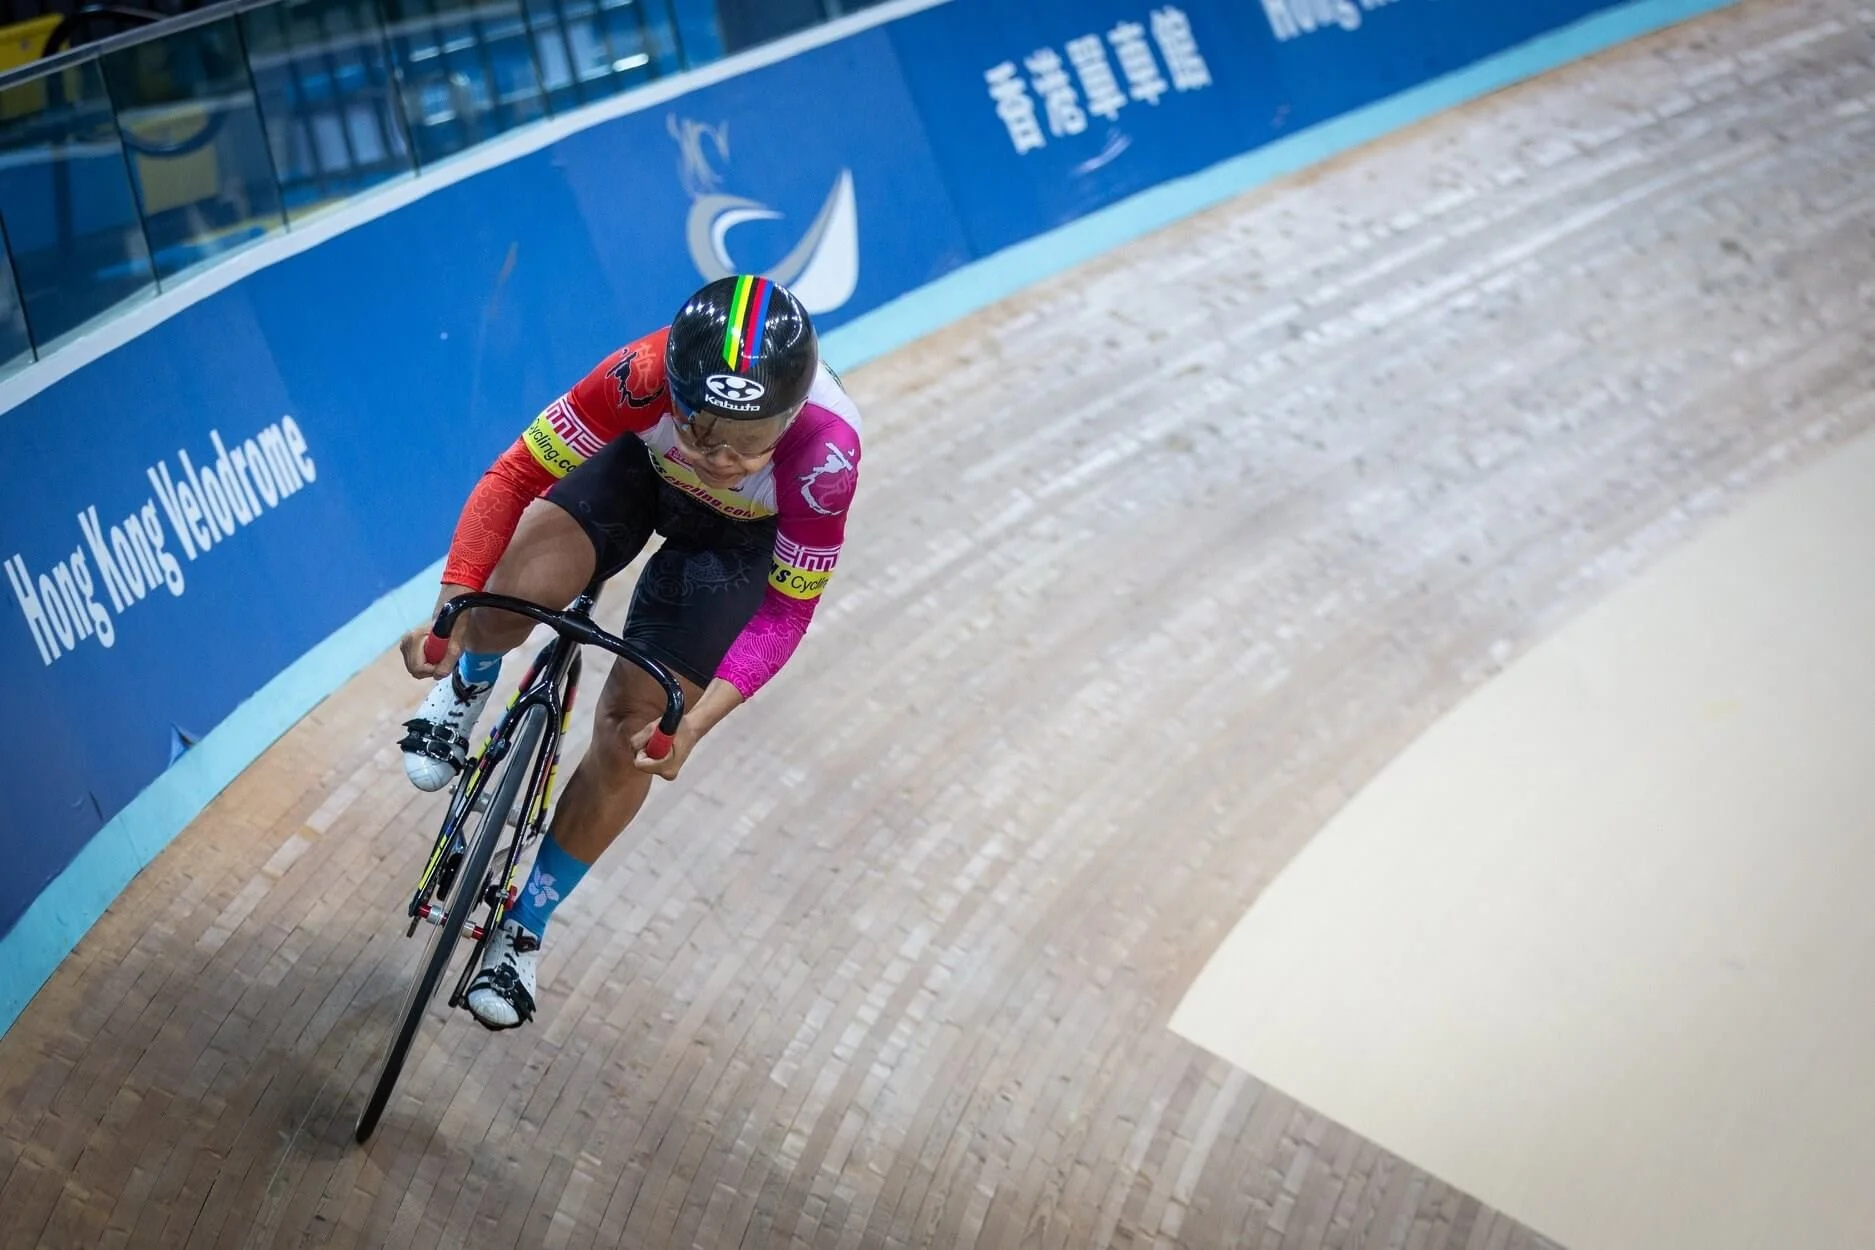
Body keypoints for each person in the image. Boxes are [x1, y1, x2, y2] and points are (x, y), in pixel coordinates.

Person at [395, 275, 862, 1030]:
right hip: (637, 475)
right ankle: (467, 687)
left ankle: (523, 929)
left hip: (737, 544)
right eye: (702, 428)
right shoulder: (637, 378)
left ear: (792, 415)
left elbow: (785, 611)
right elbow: (515, 475)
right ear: (673, 389)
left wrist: (694, 727)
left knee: (634, 734)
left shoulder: (824, 458)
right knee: (509, 595)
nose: (722, 458)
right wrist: (451, 610)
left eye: (751, 441)